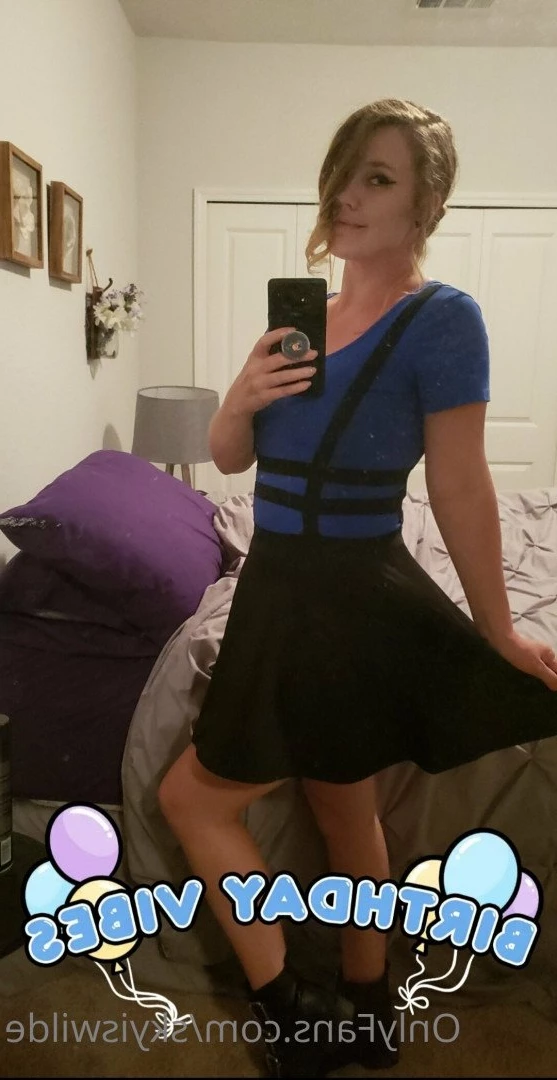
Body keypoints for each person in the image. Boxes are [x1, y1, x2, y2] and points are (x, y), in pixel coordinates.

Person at [158, 99, 557, 1078]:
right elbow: (228, 457)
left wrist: (498, 631)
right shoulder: (302, 317)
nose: (346, 193)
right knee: (343, 807)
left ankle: (287, 1010)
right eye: (343, 172)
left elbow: (458, 486)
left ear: (425, 203)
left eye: (376, 177)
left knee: (193, 800)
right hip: (277, 584)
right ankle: (367, 1010)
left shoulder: (442, 319)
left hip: (343, 594)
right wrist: (241, 395)